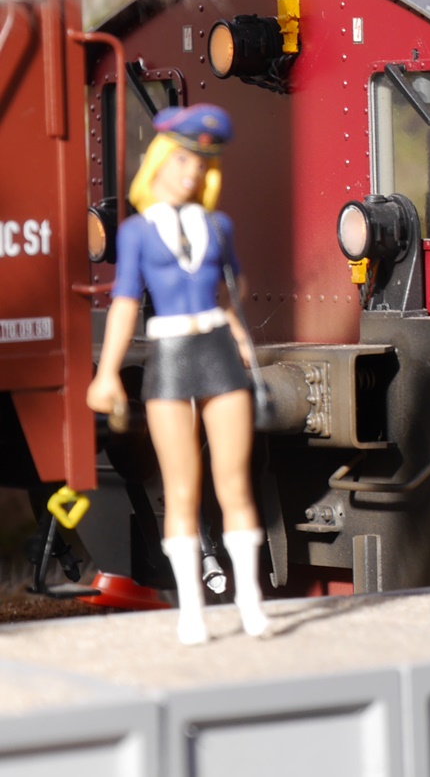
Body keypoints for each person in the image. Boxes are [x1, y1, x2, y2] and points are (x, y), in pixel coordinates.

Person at [85, 104, 268, 644]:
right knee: (180, 487)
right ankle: (192, 608)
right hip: (168, 354)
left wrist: (241, 339)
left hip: (215, 348)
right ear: (160, 160)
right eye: (183, 160)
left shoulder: (218, 226)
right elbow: (124, 303)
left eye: (202, 164)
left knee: (233, 482)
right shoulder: (137, 233)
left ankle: (250, 599)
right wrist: (107, 373)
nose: (192, 172)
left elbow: (231, 293)